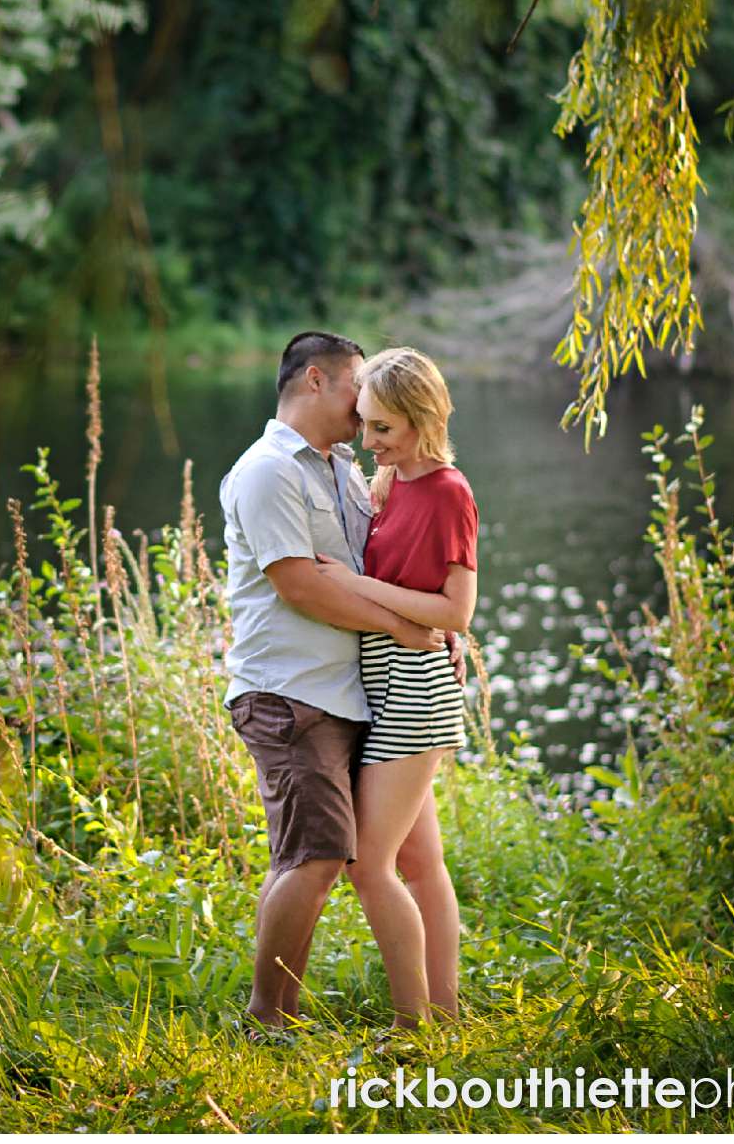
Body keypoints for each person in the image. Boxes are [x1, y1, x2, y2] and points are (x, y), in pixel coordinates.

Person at [219, 331, 464, 1033]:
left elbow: (386, 571)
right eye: (357, 386)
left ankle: (437, 1015)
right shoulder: (268, 471)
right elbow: (301, 586)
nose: (365, 405)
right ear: (317, 380)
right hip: (293, 692)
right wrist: (405, 628)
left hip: (357, 693)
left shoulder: (345, 469)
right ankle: (269, 1017)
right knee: (315, 853)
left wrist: (439, 627)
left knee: (396, 855)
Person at [318, 345, 476, 1025]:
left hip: (416, 683)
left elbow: (456, 611)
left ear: (420, 418)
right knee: (419, 860)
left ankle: (415, 1024)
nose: (368, 439)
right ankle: (446, 1012)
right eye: (364, 423)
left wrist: (355, 585)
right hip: (381, 676)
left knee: (369, 862)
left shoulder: (448, 489)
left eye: (383, 427)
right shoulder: (388, 483)